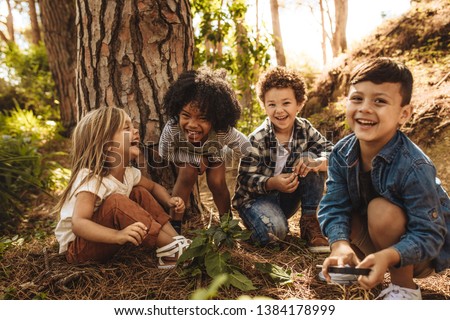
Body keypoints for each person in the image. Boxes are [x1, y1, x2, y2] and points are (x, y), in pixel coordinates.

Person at [318, 57, 450, 299]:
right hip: (377, 238)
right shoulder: (341, 153)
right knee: (346, 213)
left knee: (381, 210)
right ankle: (355, 266)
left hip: (419, 252)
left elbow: (429, 234)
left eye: (379, 101)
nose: (365, 108)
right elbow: (334, 205)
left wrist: (388, 255)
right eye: (357, 98)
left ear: (404, 114)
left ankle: (404, 288)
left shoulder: (414, 165)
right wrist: (340, 244)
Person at [54, 107, 190, 269]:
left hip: (104, 241)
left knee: (139, 192)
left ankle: (175, 241)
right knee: (117, 201)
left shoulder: (129, 174)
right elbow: (79, 223)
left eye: (133, 127)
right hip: (79, 249)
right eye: (127, 128)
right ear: (107, 146)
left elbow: (153, 187)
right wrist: (117, 235)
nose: (135, 131)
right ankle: (172, 249)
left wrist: (169, 200)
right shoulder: (92, 178)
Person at [232, 66, 333, 252]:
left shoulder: (304, 128)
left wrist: (317, 162)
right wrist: (272, 183)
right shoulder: (257, 138)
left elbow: (333, 153)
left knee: (310, 157)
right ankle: (264, 223)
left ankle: (309, 221)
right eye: (272, 104)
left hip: (287, 198)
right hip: (256, 201)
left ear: (299, 103)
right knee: (275, 233)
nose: (279, 111)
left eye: (286, 103)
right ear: (264, 106)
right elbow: (245, 180)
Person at [159, 67, 250, 233]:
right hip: (186, 156)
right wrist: (194, 159)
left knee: (217, 181)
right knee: (187, 173)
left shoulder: (223, 132)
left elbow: (246, 149)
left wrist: (222, 156)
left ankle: (227, 225)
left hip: (214, 154)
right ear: (177, 112)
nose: (192, 124)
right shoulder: (172, 128)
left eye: (203, 118)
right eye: (186, 116)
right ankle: (174, 227)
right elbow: (164, 152)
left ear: (216, 119)